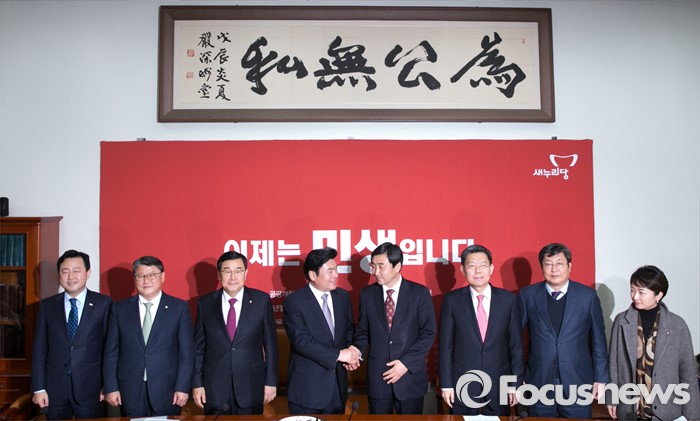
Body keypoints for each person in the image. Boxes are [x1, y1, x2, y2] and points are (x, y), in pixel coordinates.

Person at [519, 242, 608, 418]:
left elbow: (598, 341)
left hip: (578, 381)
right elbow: (516, 340)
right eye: (548, 264)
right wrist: (517, 376)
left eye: (559, 263)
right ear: (541, 267)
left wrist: (601, 378)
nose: (554, 269)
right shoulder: (527, 295)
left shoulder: (587, 296)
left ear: (569, 266)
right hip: (538, 381)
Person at [103, 255, 194, 417]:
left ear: (162, 276)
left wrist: (182, 387)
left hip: (167, 390)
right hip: (129, 390)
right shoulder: (119, 309)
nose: (146, 280)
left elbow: (186, 353)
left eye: (152, 275)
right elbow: (111, 352)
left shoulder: (179, 308)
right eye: (140, 276)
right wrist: (111, 387)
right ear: (134, 279)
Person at [439, 244, 524, 415]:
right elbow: (445, 347)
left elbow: (516, 346)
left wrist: (515, 383)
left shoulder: (509, 300)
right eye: (471, 266)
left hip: (499, 381)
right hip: (463, 381)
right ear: (463, 270)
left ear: (491, 268)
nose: (478, 271)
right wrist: (446, 384)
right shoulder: (452, 300)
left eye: (483, 265)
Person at [607, 265, 700, 420]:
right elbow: (613, 365)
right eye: (632, 290)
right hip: (630, 408)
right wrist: (611, 398)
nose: (635, 296)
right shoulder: (621, 321)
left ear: (659, 294)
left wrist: (691, 415)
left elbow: (688, 373)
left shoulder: (677, 325)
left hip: (667, 409)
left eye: (641, 292)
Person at [353, 242, 436, 414]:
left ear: (397, 266)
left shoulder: (419, 293)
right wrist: (356, 352)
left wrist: (406, 363)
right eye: (373, 266)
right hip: (378, 378)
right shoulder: (367, 294)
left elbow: (428, 333)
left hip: (409, 377)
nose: (375, 272)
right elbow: (363, 332)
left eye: (381, 266)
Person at [192, 251, 278, 415]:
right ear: (219, 275)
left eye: (238, 271)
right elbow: (198, 348)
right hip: (214, 387)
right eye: (227, 271)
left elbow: (271, 345)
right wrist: (197, 384)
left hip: (251, 384)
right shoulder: (205, 303)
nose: (233, 277)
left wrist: (271, 381)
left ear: (246, 273)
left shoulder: (261, 301)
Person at [30, 250, 112, 420]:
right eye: (65, 271)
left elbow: (109, 349)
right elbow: (39, 350)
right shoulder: (47, 306)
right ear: (59, 275)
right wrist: (39, 388)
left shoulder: (103, 304)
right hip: (55, 389)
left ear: (88, 273)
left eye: (76, 271)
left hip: (91, 389)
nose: (70, 277)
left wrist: (108, 385)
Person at [282, 247, 359, 415]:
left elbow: (348, 330)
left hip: (337, 387)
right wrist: (340, 355)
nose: (336, 275)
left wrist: (352, 354)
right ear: (312, 275)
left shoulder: (342, 297)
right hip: (308, 390)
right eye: (330, 271)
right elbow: (302, 341)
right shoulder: (294, 302)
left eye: (336, 269)